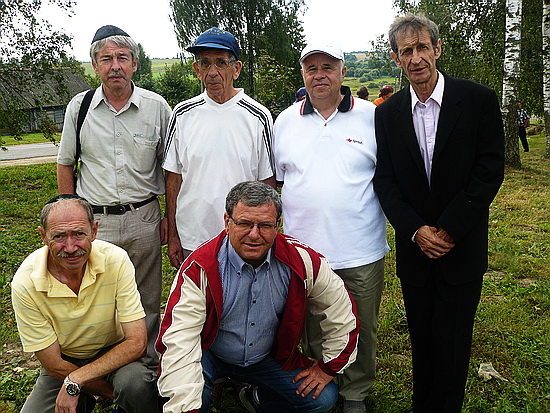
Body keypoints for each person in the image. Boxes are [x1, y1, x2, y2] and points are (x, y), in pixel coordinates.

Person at [373, 14, 504, 412]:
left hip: (460, 246)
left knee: (454, 340)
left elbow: (489, 169)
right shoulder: (388, 113)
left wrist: (449, 228)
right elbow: (386, 180)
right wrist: (415, 230)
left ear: (438, 49)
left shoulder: (478, 100)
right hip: (417, 250)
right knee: (422, 338)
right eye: (406, 50)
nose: (416, 58)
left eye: (422, 47)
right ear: (396, 58)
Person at [156, 181, 360, 413]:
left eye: (264, 225)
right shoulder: (200, 267)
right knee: (185, 395)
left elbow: (341, 311)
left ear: (278, 225)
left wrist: (328, 368)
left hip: (266, 357)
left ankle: (257, 398)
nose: (254, 235)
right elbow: (179, 340)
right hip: (210, 353)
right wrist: (186, 405)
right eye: (244, 224)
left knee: (322, 399)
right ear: (227, 222)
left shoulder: (302, 261)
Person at [272, 43, 389, 413]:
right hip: (303, 251)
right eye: (310, 68)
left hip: (360, 247)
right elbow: (278, 181)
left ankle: (355, 393)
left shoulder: (371, 116)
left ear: (341, 71)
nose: (318, 74)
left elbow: (390, 175)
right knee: (310, 324)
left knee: (361, 324)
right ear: (302, 74)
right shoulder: (285, 121)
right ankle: (320, 382)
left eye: (327, 66)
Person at [57, 25, 172, 370]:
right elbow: (65, 163)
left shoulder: (157, 107)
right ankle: (105, 368)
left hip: (144, 218)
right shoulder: (80, 107)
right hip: (96, 223)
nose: (115, 66)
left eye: (122, 57)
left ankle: (146, 371)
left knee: (146, 299)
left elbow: (172, 170)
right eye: (106, 59)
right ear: (95, 66)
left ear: (135, 63)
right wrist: (69, 218)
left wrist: (170, 217)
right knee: (99, 299)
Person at [11, 195, 159, 413]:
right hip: (64, 361)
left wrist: (76, 380)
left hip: (115, 353)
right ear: (43, 236)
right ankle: (92, 399)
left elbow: (136, 342)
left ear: (94, 231)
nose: (70, 248)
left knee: (135, 385)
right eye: (59, 236)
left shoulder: (116, 260)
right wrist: (104, 391)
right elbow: (53, 364)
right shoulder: (25, 283)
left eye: (79, 234)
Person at [162, 27, 275, 269]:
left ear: (236, 69)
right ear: (197, 70)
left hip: (245, 239)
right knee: (198, 304)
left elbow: (268, 183)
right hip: (193, 236)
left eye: (221, 63)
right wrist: (173, 234)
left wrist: (265, 235)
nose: (213, 72)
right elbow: (173, 178)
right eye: (205, 64)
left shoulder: (258, 117)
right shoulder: (182, 114)